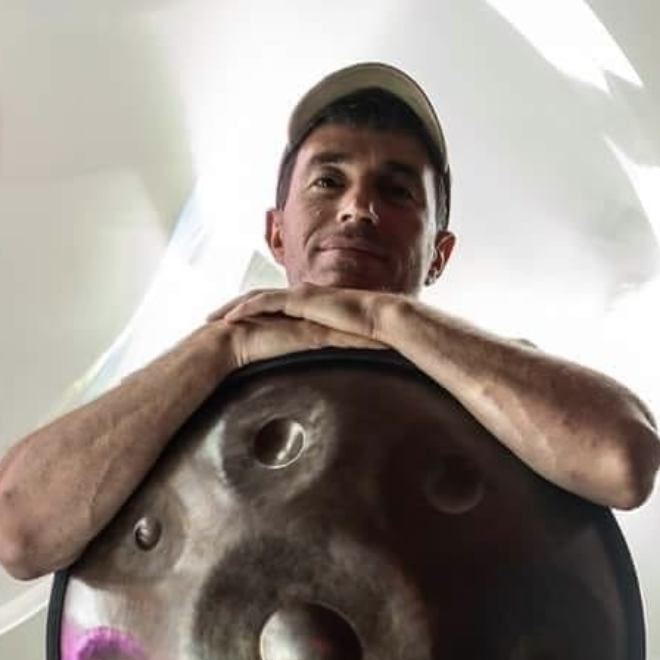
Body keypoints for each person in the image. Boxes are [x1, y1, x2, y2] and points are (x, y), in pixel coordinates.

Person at [0, 62, 658, 582]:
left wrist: (384, 316)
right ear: (275, 233)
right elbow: (19, 530)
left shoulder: (495, 374)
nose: (358, 208)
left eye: (396, 191)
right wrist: (224, 346)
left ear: (439, 254)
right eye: (327, 182)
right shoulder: (197, 373)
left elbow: (623, 459)